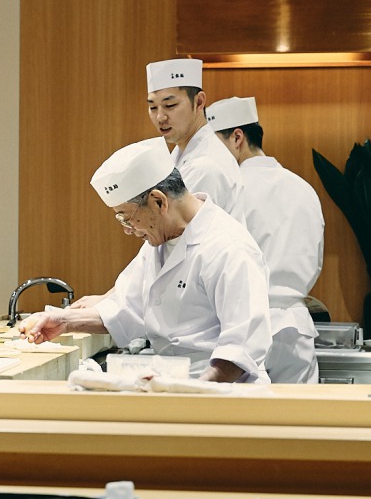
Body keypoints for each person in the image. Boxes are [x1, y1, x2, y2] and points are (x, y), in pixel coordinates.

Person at [20, 137, 273, 383]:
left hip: (224, 398)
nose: (127, 229)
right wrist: (63, 321)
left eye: (125, 217)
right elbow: (126, 307)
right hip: (177, 388)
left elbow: (240, 349)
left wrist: (193, 391)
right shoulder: (158, 243)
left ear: (158, 201)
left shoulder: (228, 247)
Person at [207, 96, 325, 384]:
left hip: (243, 329)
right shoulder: (304, 188)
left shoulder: (228, 189)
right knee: (296, 424)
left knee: (244, 425)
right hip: (296, 330)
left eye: (212, 147)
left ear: (237, 138)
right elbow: (316, 259)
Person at [145, 58, 243, 219]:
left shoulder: (205, 167)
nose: (160, 117)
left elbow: (179, 234)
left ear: (199, 102)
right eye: (153, 107)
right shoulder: (181, 154)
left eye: (170, 106)